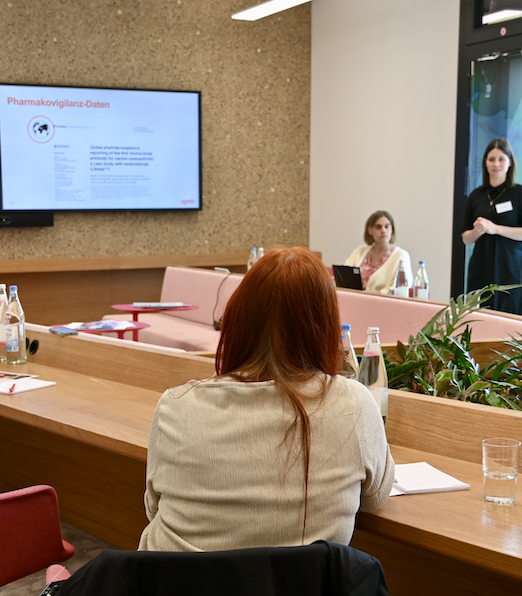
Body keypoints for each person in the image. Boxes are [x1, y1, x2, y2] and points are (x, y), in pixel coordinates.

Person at [138, 246, 394, 552]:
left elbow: (153, 508)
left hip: (176, 578)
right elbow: (375, 497)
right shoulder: (355, 404)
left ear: (237, 322)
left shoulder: (175, 406)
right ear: (325, 329)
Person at [462, 138, 522, 315]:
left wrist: (496, 229)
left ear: (510, 162)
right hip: (481, 268)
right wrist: (478, 231)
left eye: (501, 159)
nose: (496, 164)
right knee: (477, 319)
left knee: (508, 321)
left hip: (510, 270)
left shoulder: (520, 194)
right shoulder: (476, 196)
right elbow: (466, 238)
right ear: (485, 163)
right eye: (491, 159)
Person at [343, 210, 411, 294]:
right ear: (369, 230)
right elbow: (342, 277)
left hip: (380, 300)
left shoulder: (401, 255)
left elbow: (402, 289)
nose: (383, 230)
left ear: (392, 229)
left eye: (387, 226)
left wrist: (372, 294)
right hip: (352, 297)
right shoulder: (359, 251)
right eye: (378, 227)